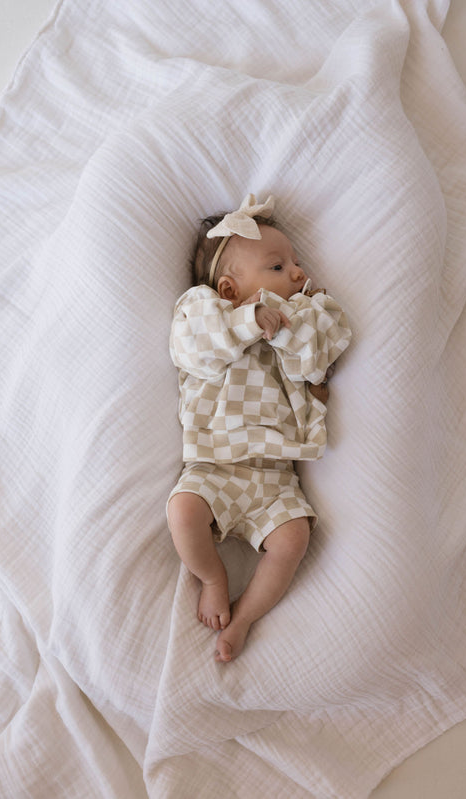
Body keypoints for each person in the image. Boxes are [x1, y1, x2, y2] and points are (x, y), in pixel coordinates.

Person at [167, 194, 351, 662]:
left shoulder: (307, 314)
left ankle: (245, 617)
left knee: (294, 538)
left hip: (275, 476)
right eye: (277, 266)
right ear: (229, 289)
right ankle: (213, 578)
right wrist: (250, 322)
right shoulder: (205, 310)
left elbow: (320, 355)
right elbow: (191, 349)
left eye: (294, 262)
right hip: (214, 466)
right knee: (184, 512)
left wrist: (284, 326)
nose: (296, 272)